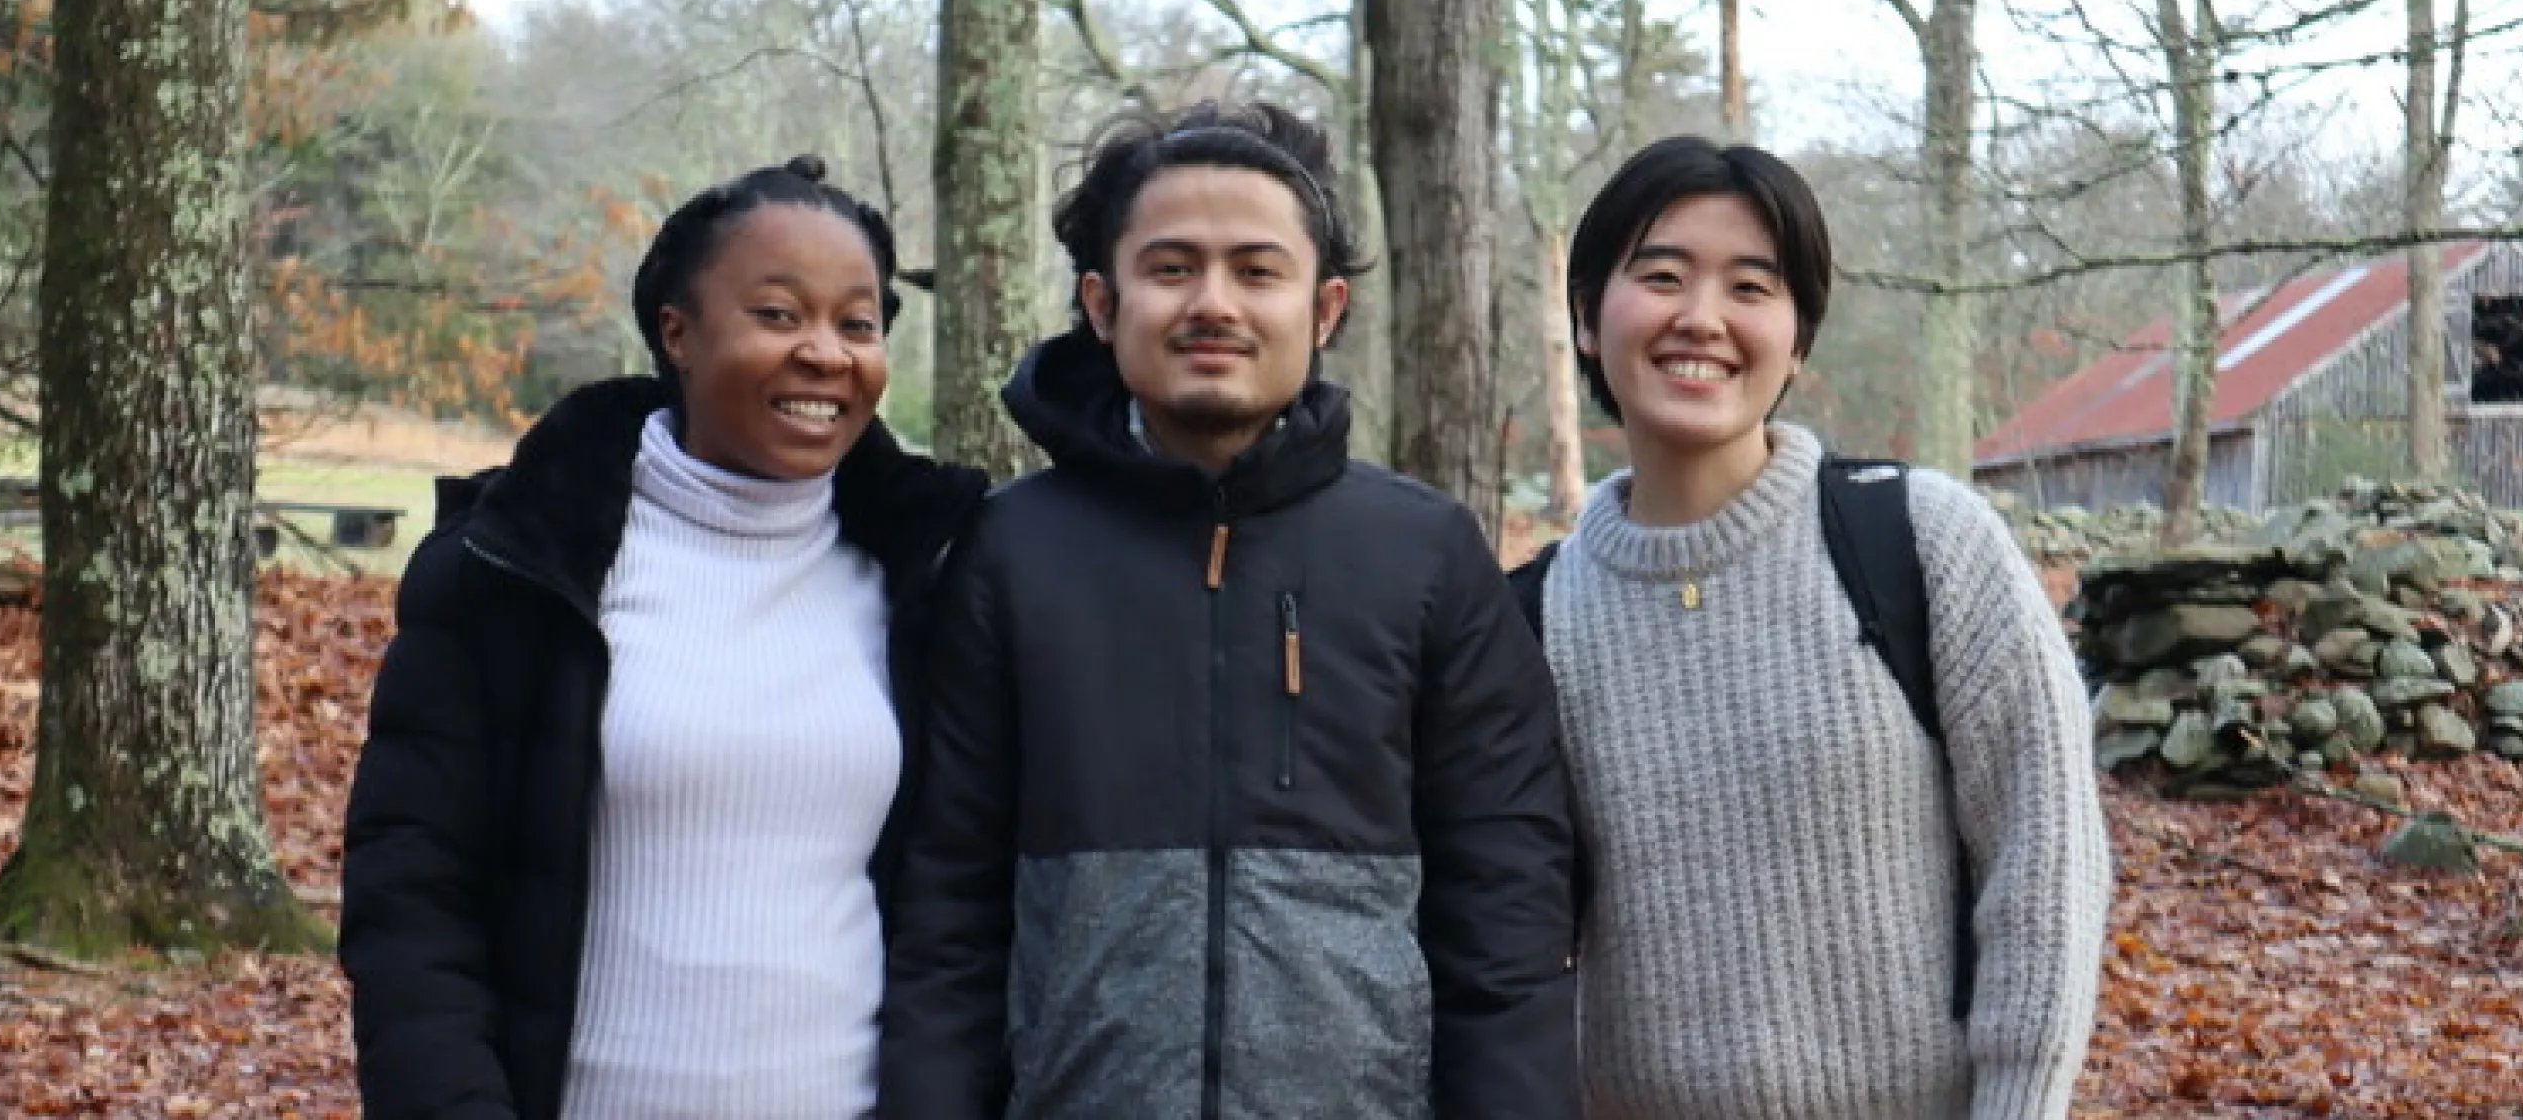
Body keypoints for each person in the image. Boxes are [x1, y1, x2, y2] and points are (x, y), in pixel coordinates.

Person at [881, 100, 1581, 1120]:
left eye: (1258, 271)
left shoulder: (1424, 555)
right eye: (1171, 269)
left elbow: (1506, 911)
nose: (1214, 303)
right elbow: (947, 910)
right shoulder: (1009, 554)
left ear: (1325, 308)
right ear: (1102, 302)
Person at [340, 156, 990, 1119]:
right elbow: (411, 897)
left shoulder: (930, 572)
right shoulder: (518, 563)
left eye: (858, 324)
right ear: (676, 334)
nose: (825, 352)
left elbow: (962, 915)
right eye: (778, 315)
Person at [1510, 135, 2111, 1119]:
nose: (1700, 318)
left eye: (1751, 287)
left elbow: (2044, 855)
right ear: (1586, 317)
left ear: (1798, 340)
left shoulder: (1918, 541)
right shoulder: (1533, 621)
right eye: (1660, 276)